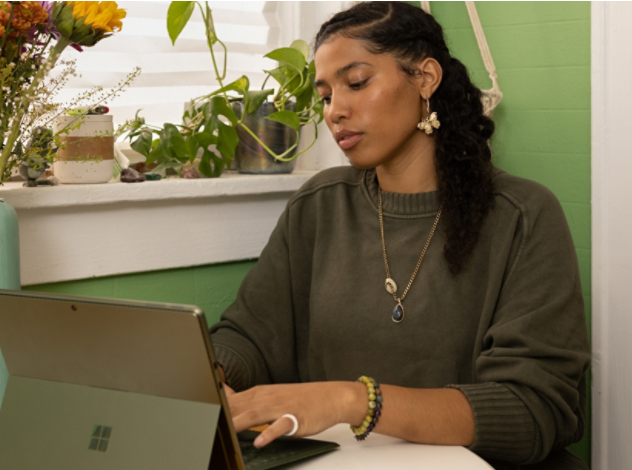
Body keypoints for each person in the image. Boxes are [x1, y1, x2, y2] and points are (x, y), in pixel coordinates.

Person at [208, 2, 590, 469]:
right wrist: (209, 374)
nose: (336, 112)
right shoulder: (320, 204)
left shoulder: (522, 215)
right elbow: (250, 333)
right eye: (326, 96)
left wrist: (354, 401)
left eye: (357, 82)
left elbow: (533, 409)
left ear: (425, 78)